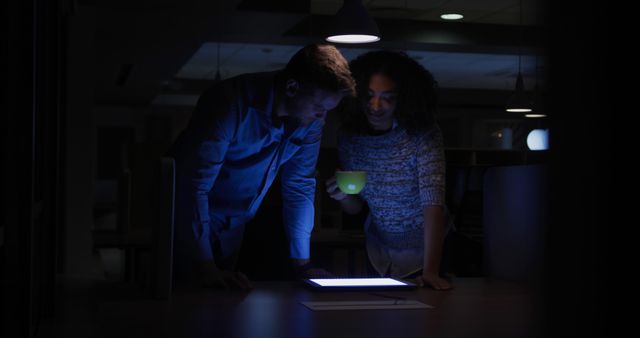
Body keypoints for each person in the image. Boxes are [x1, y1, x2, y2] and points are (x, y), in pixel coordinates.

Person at [171, 44, 355, 289]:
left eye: (328, 110)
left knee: (219, 303)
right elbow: (194, 188)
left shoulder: (311, 121)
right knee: (182, 302)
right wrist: (204, 266)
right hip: (184, 221)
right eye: (319, 108)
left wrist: (303, 265)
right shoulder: (229, 102)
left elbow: (299, 185)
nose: (323, 118)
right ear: (292, 88)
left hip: (235, 228)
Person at [325, 50, 452, 290]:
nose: (375, 105)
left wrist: (431, 272)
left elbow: (433, 202)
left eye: (388, 97)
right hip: (380, 252)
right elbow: (356, 208)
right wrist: (342, 196)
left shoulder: (422, 133)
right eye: (369, 95)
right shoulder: (350, 137)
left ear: (403, 100)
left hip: (433, 251)